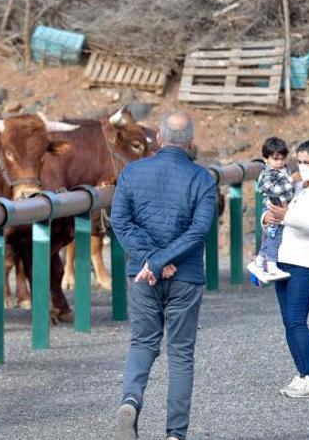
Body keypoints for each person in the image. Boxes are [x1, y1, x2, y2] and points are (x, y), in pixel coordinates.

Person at [110, 110, 217, 440]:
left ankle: (130, 400)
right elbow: (200, 230)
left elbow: (120, 221)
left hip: (142, 275)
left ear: (158, 137)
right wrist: (162, 261)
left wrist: (150, 261)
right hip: (186, 276)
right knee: (181, 353)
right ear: (192, 143)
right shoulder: (202, 179)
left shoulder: (132, 172)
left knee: (142, 343)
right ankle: (175, 434)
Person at [265, 139, 309, 399]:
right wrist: (269, 216)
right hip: (285, 258)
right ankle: (302, 373)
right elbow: (278, 209)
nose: (303, 167)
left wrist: (287, 217)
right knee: (288, 321)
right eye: (299, 162)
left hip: (307, 262)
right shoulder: (297, 186)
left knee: (297, 319)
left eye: (308, 162)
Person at [248, 136, 297, 284]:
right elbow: (275, 189)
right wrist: (291, 180)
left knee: (271, 237)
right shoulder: (267, 174)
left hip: (281, 206)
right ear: (266, 159)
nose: (280, 162)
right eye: (276, 159)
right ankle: (271, 265)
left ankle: (259, 262)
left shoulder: (284, 169)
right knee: (274, 237)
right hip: (273, 207)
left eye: (282, 158)